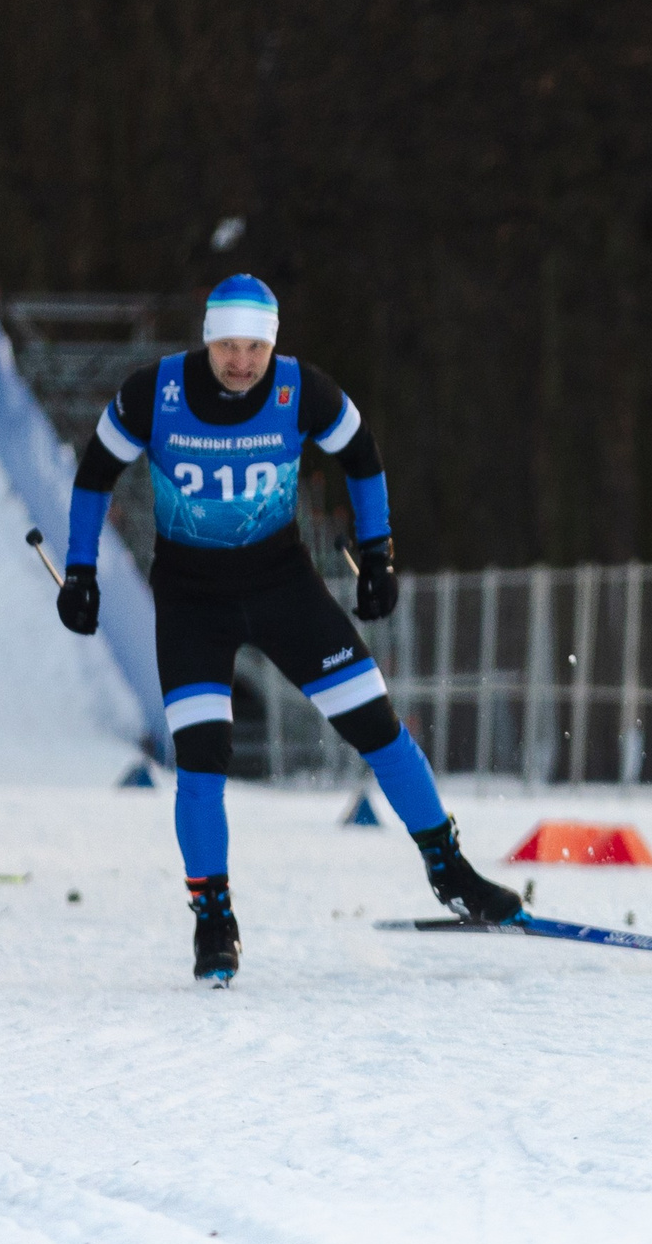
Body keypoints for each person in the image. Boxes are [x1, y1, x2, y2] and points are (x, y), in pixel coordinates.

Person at [56, 274, 518, 984]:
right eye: (229, 346)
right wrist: (81, 569)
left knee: (378, 725)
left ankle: (450, 869)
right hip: (191, 598)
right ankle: (214, 919)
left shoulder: (304, 390)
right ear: (208, 338)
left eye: (257, 347)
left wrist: (378, 554)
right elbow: (95, 471)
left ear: (275, 345)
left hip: (281, 586)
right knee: (202, 757)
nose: (242, 361)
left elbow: (361, 456)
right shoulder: (156, 393)